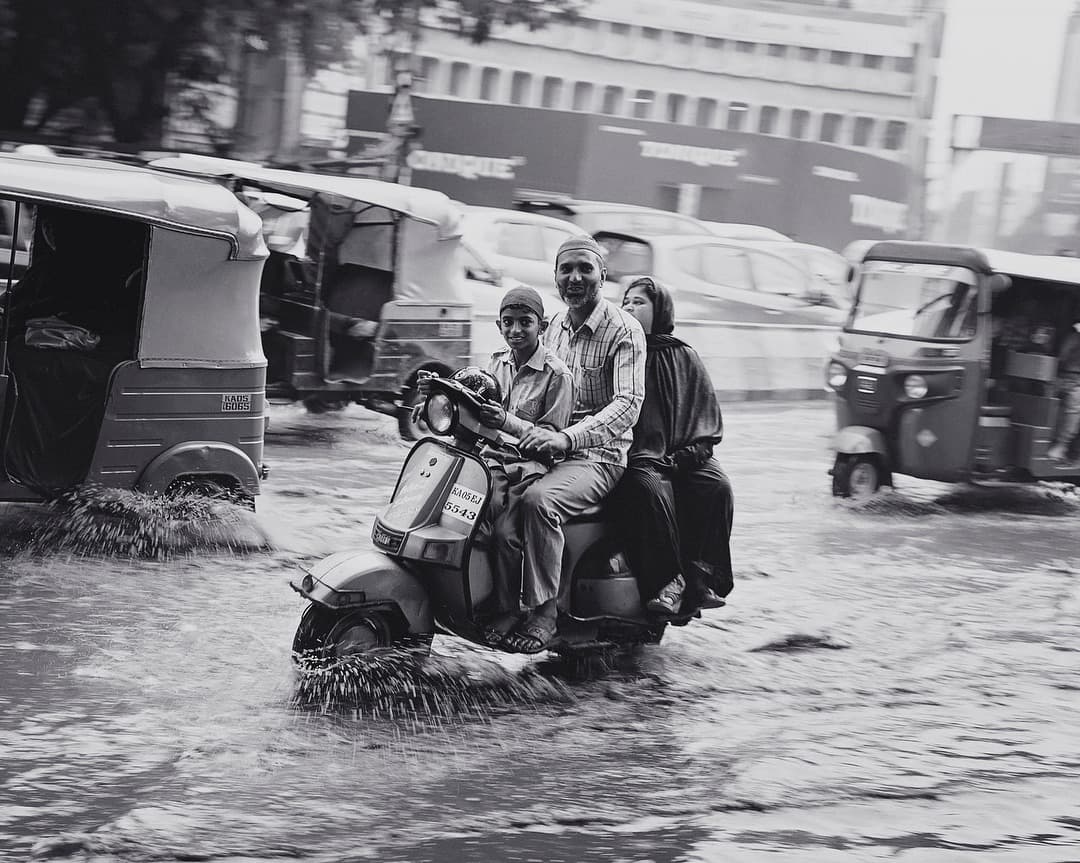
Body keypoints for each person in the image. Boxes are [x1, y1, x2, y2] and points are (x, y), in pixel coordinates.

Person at [501, 235, 646, 654]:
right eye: (567, 269)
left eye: (585, 268)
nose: (575, 277)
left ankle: (545, 612)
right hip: (548, 447)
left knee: (538, 503)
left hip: (598, 457)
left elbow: (628, 404)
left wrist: (567, 437)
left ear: (603, 274)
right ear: (556, 278)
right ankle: (501, 601)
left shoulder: (624, 330)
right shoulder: (554, 327)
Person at [611, 277, 735, 616]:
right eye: (626, 302)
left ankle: (704, 576)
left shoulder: (685, 356)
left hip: (683, 454)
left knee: (717, 485)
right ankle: (668, 581)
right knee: (646, 487)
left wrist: (682, 458)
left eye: (639, 302)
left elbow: (706, 425)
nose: (630, 308)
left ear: (660, 309)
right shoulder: (620, 351)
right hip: (639, 455)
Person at [473, 287, 575, 646]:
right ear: (499, 326)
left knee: (505, 534)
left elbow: (550, 438)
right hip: (492, 461)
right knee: (469, 522)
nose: (516, 330)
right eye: (508, 323)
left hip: (530, 467)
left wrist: (506, 422)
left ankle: (513, 608)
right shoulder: (496, 362)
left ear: (542, 326)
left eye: (525, 323)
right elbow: (478, 405)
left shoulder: (558, 375)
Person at [1048, 311, 1080, 462]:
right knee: (1070, 411)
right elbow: (1063, 354)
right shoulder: (1074, 336)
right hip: (1069, 377)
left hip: (1067, 376)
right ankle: (1060, 446)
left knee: (1070, 411)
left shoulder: (1073, 336)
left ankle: (1061, 446)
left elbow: (1063, 354)